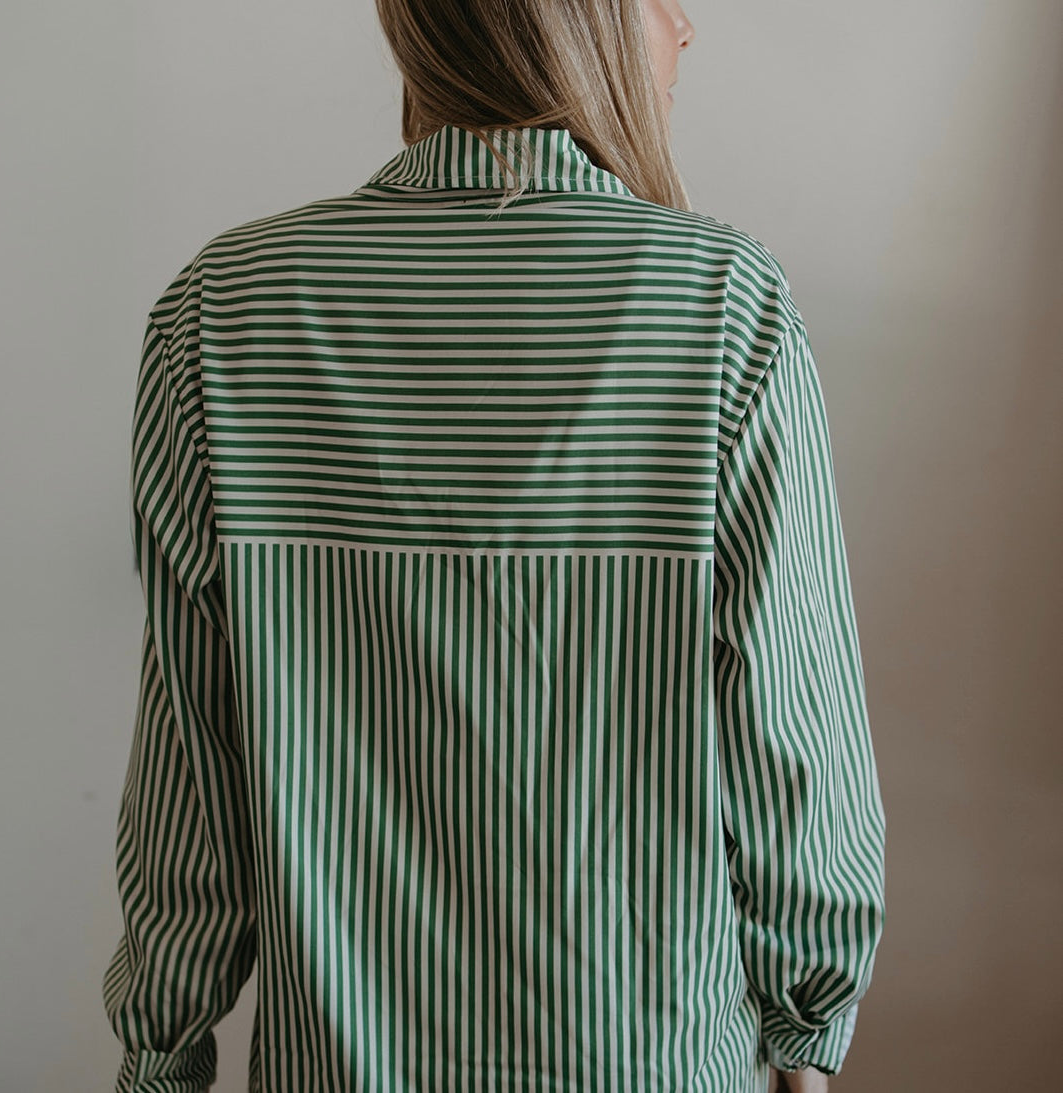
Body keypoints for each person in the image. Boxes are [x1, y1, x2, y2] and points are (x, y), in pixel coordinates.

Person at [103, 1, 886, 1090]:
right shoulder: (720, 304)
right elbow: (790, 725)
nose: (687, 27)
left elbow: (193, 751)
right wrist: (810, 1020)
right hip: (644, 1057)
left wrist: (163, 1042)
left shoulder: (225, 307)